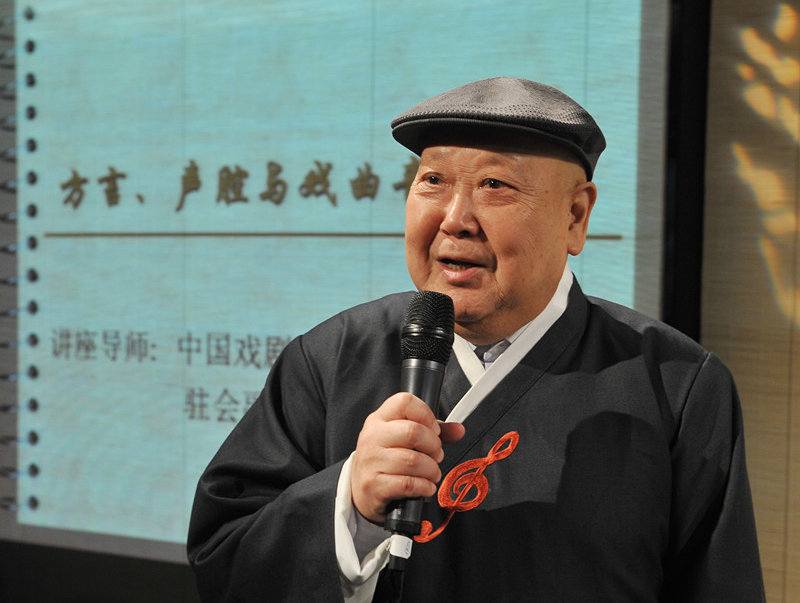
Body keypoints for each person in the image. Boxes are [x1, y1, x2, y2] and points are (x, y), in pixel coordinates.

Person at [187, 77, 766, 602]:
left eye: (494, 185)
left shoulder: (677, 385)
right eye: (432, 181)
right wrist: (348, 505)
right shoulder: (331, 356)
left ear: (575, 216)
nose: (454, 218)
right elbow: (225, 560)